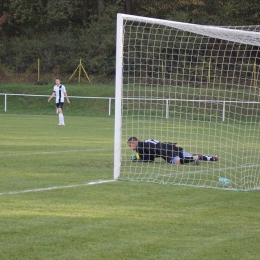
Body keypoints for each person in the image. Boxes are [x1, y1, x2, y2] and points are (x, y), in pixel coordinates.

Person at [127, 137, 218, 165]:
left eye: (130, 145)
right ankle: (212, 158)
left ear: (134, 143)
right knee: (187, 155)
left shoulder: (140, 147)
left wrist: (138, 159)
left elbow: (149, 159)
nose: (130, 147)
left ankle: (196, 157)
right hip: (169, 145)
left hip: (164, 151)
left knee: (177, 162)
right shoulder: (146, 141)